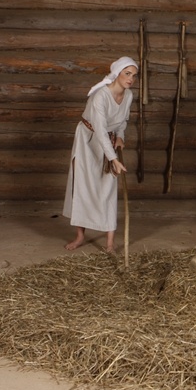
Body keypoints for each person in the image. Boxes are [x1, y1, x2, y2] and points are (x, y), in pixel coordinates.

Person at [63, 56, 139, 253]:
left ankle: (110, 244)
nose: (131, 79)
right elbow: (99, 128)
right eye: (127, 74)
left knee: (108, 187)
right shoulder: (100, 97)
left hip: (109, 141)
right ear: (117, 74)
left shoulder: (128, 95)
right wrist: (113, 159)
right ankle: (80, 236)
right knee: (83, 186)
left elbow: (123, 120)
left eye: (134, 75)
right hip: (88, 141)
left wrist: (120, 136)